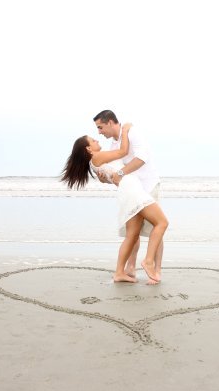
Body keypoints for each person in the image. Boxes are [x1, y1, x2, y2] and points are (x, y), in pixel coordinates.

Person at [60, 123, 168, 284]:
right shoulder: (97, 157)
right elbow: (123, 151)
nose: (97, 139)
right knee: (162, 223)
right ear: (89, 149)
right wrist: (125, 130)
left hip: (127, 192)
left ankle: (119, 273)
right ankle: (148, 261)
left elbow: (112, 175)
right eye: (93, 140)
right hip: (133, 192)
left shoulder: (96, 161)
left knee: (132, 236)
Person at [93, 110, 164, 284]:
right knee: (133, 232)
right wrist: (105, 180)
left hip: (147, 185)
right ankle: (130, 268)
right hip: (132, 191)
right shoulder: (113, 145)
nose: (99, 132)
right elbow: (115, 176)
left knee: (156, 228)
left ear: (110, 122)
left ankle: (156, 270)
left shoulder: (132, 132)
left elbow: (141, 158)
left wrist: (120, 172)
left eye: (100, 127)